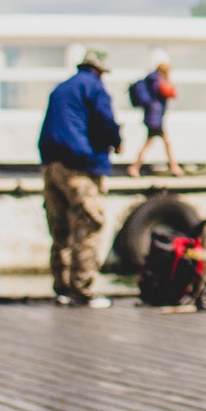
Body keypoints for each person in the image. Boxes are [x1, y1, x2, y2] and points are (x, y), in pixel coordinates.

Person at [38, 46, 121, 306]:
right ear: (99, 70)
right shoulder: (93, 88)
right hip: (80, 165)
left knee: (60, 229)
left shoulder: (61, 88)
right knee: (88, 225)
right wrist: (115, 141)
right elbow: (105, 121)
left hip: (52, 165)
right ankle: (83, 290)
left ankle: (61, 288)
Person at [128, 51, 180, 176]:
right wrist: (169, 81)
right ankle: (135, 167)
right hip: (154, 118)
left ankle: (136, 167)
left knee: (153, 143)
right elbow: (171, 92)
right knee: (161, 142)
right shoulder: (157, 81)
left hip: (154, 117)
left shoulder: (152, 80)